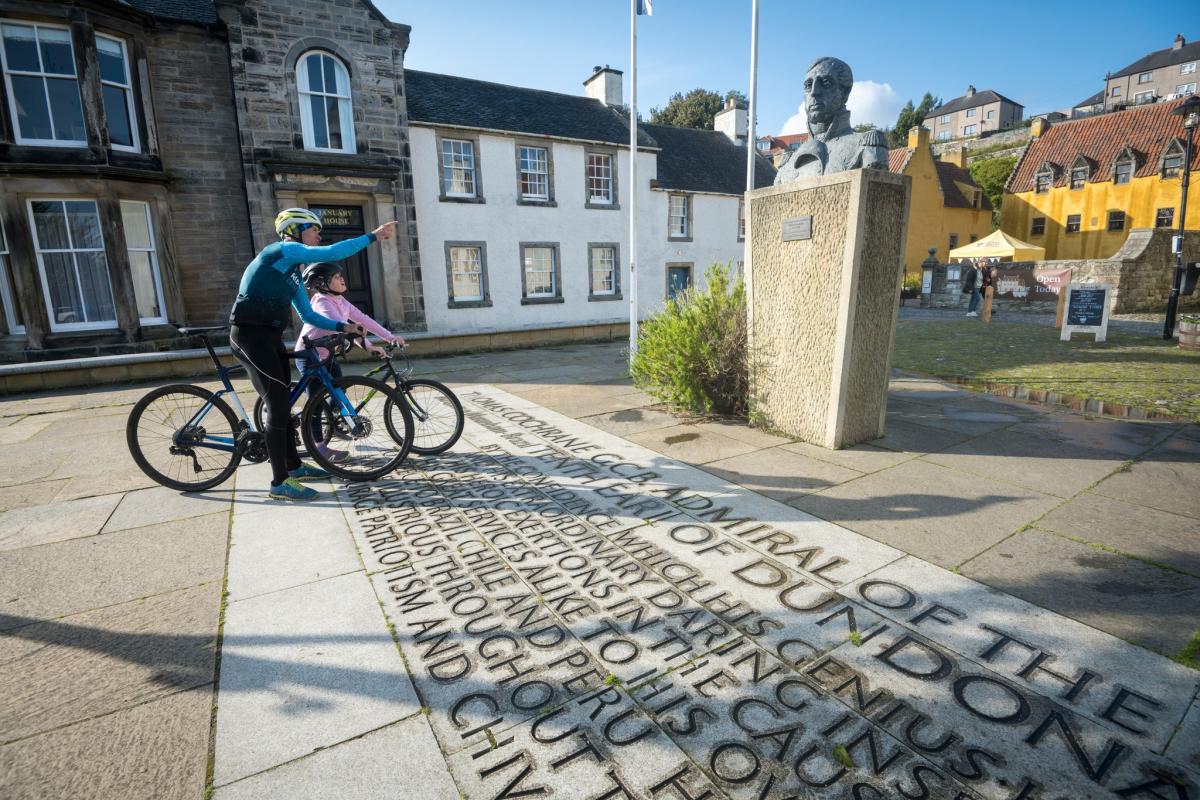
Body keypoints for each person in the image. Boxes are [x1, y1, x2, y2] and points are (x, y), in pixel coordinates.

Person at [228, 207, 398, 501]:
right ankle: (279, 482)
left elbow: (308, 314)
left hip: (270, 337)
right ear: (294, 230)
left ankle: (294, 467)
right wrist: (373, 235)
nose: (319, 235)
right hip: (249, 336)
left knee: (284, 406)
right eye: (314, 229)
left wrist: (345, 327)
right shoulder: (280, 251)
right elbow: (332, 252)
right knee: (278, 406)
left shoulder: (292, 275)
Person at [296, 261, 406, 462]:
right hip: (309, 356)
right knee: (315, 404)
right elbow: (344, 327)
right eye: (336, 277)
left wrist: (390, 337)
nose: (342, 279)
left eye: (340, 275)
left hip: (327, 354)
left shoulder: (341, 300)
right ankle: (319, 447)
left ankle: (334, 423)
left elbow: (363, 319)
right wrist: (367, 345)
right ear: (322, 284)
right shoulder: (322, 301)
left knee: (340, 386)